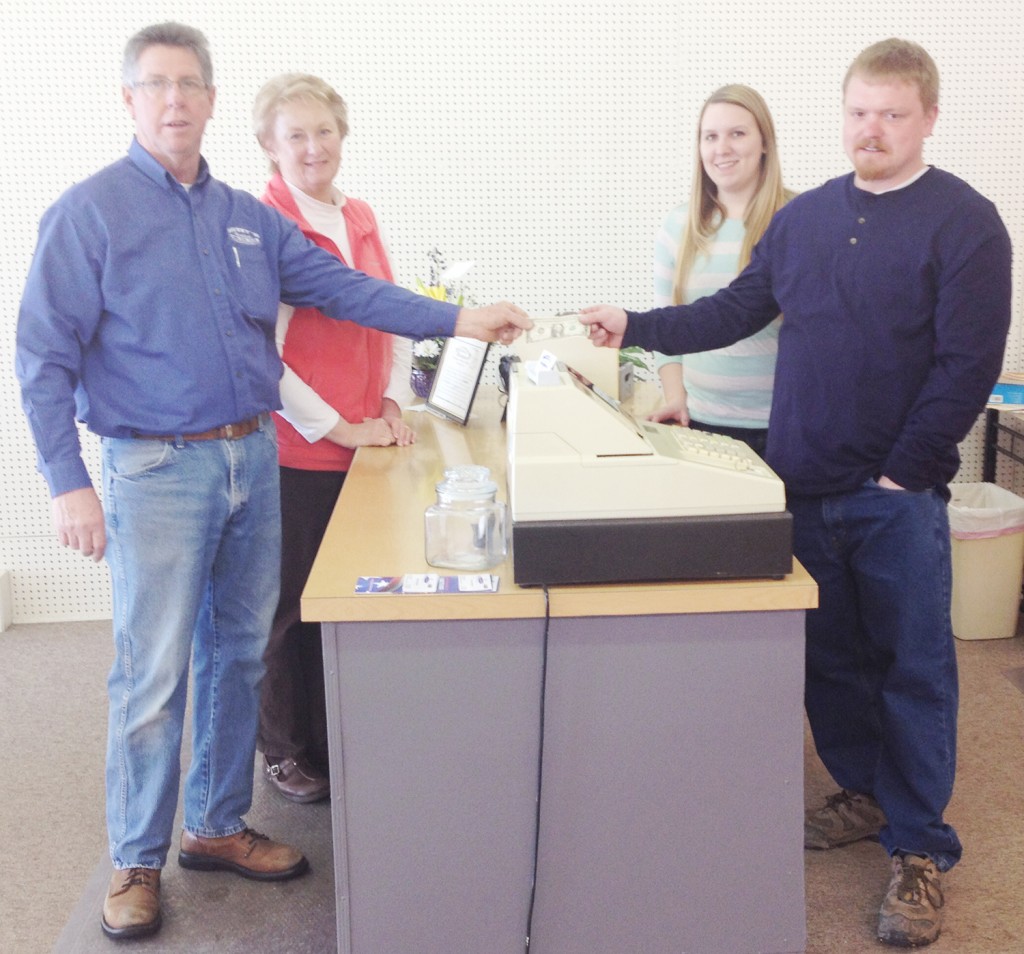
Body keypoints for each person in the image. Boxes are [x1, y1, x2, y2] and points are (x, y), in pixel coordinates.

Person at [14, 22, 528, 942]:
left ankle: (213, 827)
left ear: (212, 101)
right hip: (154, 468)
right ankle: (136, 859)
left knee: (240, 654)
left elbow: (347, 292)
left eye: (190, 85)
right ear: (130, 101)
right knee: (153, 672)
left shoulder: (247, 220)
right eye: (157, 85)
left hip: (253, 456)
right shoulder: (88, 213)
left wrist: (459, 319)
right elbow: (42, 355)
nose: (175, 100)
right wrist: (66, 480)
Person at [581, 38, 1011, 948]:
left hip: (894, 497)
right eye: (859, 112)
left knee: (915, 667)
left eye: (893, 114)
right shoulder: (807, 220)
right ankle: (861, 792)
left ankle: (921, 848)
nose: (873, 130)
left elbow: (966, 366)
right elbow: (735, 310)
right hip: (801, 484)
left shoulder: (967, 223)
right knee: (831, 660)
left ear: (929, 117)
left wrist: (905, 470)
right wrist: (636, 324)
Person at [251, 73, 415, 803]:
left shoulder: (361, 215)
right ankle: (283, 750)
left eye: (324, 131)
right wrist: (340, 425)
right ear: (268, 146)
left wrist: (388, 399)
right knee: (287, 611)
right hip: (298, 453)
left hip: (365, 448)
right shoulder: (266, 227)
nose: (314, 146)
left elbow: (391, 314)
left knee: (341, 605)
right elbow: (265, 355)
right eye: (296, 135)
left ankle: (329, 737)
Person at [650, 84, 793, 457]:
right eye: (710, 137)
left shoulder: (798, 220)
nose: (722, 148)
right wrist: (676, 396)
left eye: (737, 134)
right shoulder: (678, 227)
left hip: (784, 426)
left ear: (765, 142)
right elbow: (669, 325)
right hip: (700, 424)